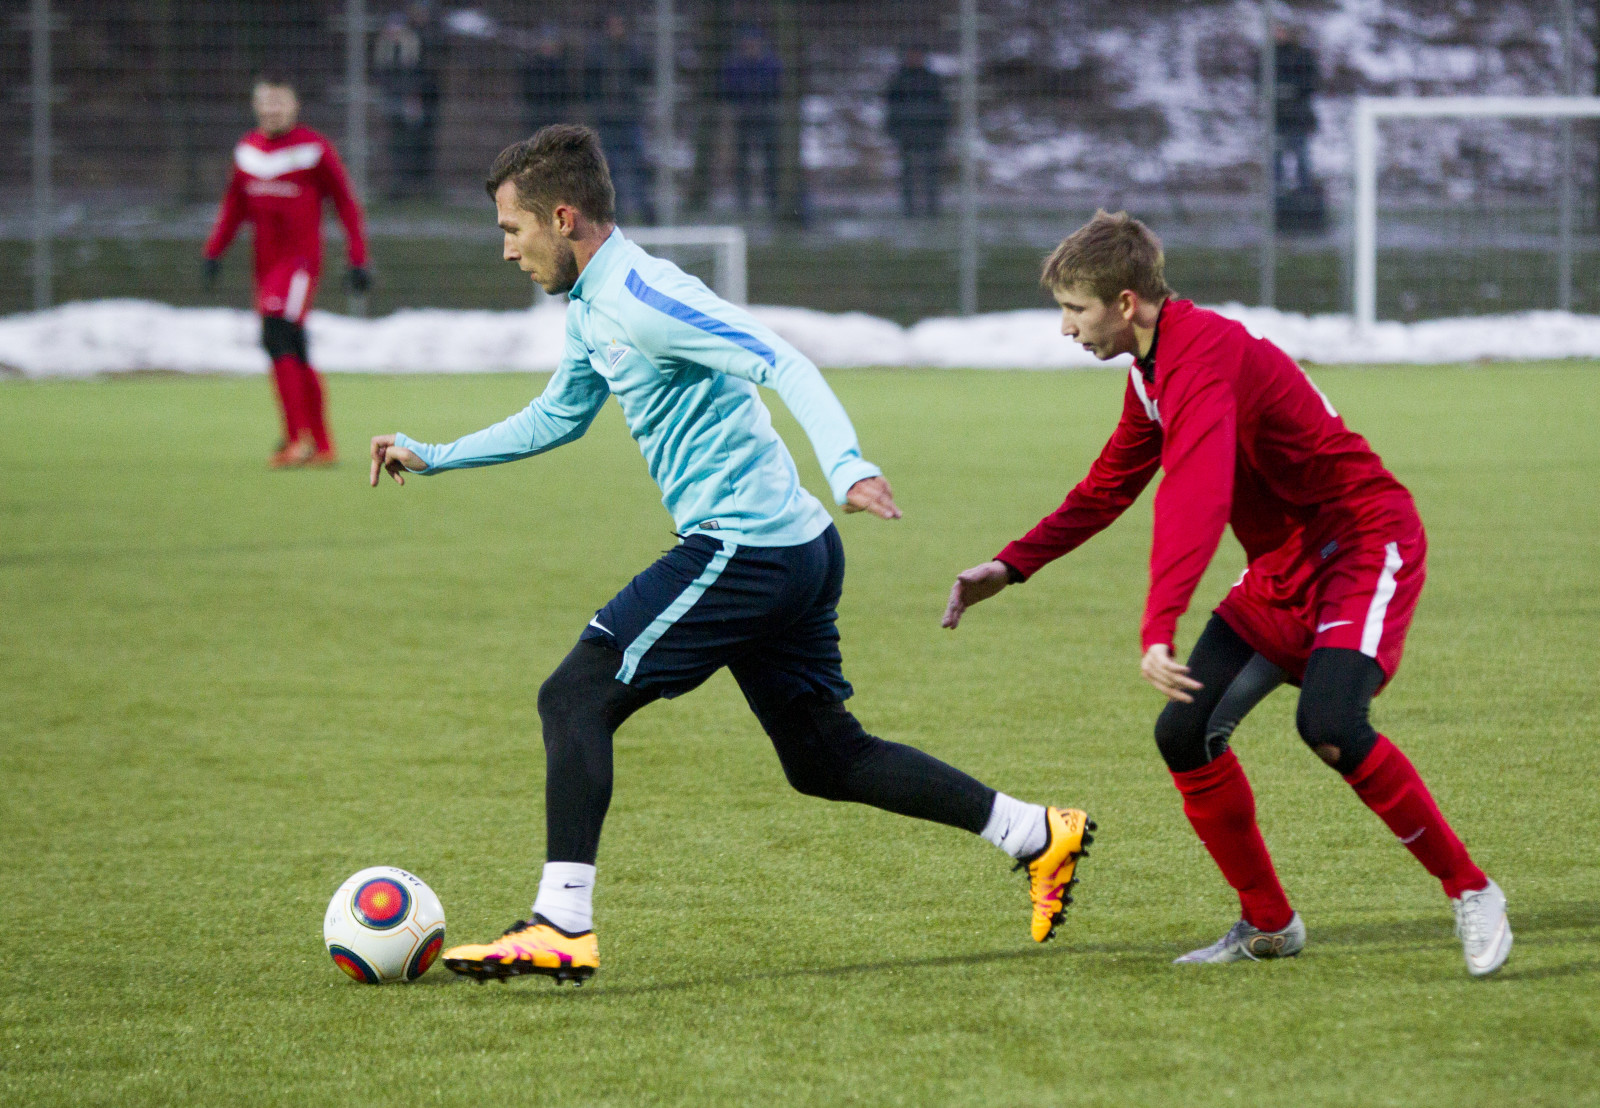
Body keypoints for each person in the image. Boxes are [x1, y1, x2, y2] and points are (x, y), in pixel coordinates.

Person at [368, 125, 1093, 985]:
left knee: (574, 695)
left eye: (511, 228)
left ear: (563, 219)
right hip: (788, 548)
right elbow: (559, 415)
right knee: (825, 759)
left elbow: (780, 358)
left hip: (746, 549)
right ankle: (1035, 832)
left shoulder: (642, 295)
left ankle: (561, 922)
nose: (506, 250)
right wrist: (437, 453)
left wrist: (849, 465)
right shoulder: (592, 305)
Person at [942, 211, 1511, 977]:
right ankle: (1270, 925)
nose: (1066, 328)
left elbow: (1197, 495)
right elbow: (1109, 487)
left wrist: (1159, 623)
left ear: (1125, 303)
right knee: (1185, 734)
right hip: (1284, 564)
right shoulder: (1152, 374)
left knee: (1332, 724)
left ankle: (1472, 891)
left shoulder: (1201, 357)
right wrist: (1010, 567)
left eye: (1074, 310)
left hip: (1361, 541)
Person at [204, 75, 369, 468]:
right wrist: (213, 252)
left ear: (294, 105)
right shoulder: (247, 151)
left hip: (299, 264)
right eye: (265, 102)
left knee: (276, 333)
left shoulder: (313, 149)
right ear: (255, 105)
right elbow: (234, 209)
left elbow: (346, 204)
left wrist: (358, 257)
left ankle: (298, 439)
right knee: (294, 345)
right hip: (264, 265)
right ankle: (322, 445)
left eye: (279, 102)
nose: (271, 109)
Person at [583, 15, 654, 224]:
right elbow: (590, 84)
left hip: (629, 117)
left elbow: (645, 75)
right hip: (607, 119)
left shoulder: (633, 52)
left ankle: (646, 210)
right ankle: (617, 212)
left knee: (637, 165)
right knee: (610, 167)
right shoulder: (597, 54)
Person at [373, 2, 443, 201]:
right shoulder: (386, 48)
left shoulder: (410, 44)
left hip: (408, 100)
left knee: (411, 141)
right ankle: (400, 186)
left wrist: (412, 98)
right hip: (395, 100)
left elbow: (412, 74)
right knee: (397, 142)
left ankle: (414, 185)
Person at [885, 46, 952, 219]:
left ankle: (932, 212)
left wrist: (941, 129)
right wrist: (893, 129)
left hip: (930, 135)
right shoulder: (898, 80)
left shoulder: (932, 79)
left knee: (931, 175)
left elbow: (943, 106)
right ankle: (909, 212)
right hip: (906, 134)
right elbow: (891, 107)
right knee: (908, 175)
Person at [720, 28, 781, 214]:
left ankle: (774, 200)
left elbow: (776, 86)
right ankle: (743, 202)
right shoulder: (735, 65)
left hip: (765, 114)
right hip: (744, 115)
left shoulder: (769, 63)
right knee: (742, 159)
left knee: (770, 159)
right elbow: (728, 89)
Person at [1271, 24, 1318, 192]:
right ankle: (1278, 193)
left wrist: (1293, 90)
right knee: (1276, 156)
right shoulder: (1268, 57)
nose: (1279, 34)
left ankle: (1304, 194)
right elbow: (1259, 83)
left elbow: (1311, 83)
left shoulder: (1302, 55)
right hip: (1276, 117)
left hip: (1298, 116)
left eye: (1282, 30)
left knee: (1302, 156)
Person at [519, 26, 573, 138]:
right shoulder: (533, 66)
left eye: (551, 42)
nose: (548, 46)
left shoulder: (561, 65)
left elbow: (566, 91)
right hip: (537, 114)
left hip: (556, 114)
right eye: (546, 42)